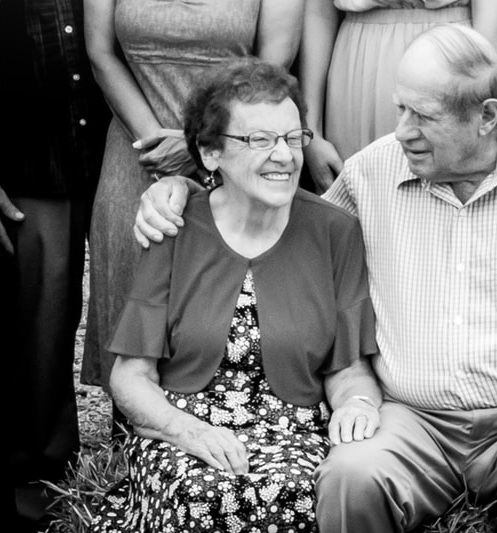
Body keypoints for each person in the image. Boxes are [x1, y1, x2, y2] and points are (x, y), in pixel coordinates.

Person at [133, 25, 497, 533]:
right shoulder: (373, 171)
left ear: (486, 116)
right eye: (400, 109)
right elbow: (283, 226)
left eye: (423, 116)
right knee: (351, 476)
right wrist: (186, 188)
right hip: (409, 419)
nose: (401, 131)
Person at [90, 58, 382, 533]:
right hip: (182, 429)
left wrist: (358, 405)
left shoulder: (336, 232)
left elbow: (348, 370)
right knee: (204, 494)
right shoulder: (175, 227)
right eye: (259, 140)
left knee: (296, 493)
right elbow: (131, 377)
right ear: (210, 153)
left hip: (292, 434)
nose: (284, 156)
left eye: (292, 138)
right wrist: (190, 432)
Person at [81, 0, 306, 428]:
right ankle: (131, 444)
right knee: (132, 288)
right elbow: (100, 52)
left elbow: (272, 68)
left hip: (237, 147)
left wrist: (198, 146)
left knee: (224, 295)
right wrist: (155, 143)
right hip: (139, 149)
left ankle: (223, 434)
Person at [0, 0, 110, 529]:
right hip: (28, 165)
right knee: (42, 318)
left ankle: (141, 455)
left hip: (119, 153)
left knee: (141, 303)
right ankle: (38, 473)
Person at [298, 0, 497, 192]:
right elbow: (318, 10)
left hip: (453, 58)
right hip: (356, 63)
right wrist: (311, 132)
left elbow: (491, 19)